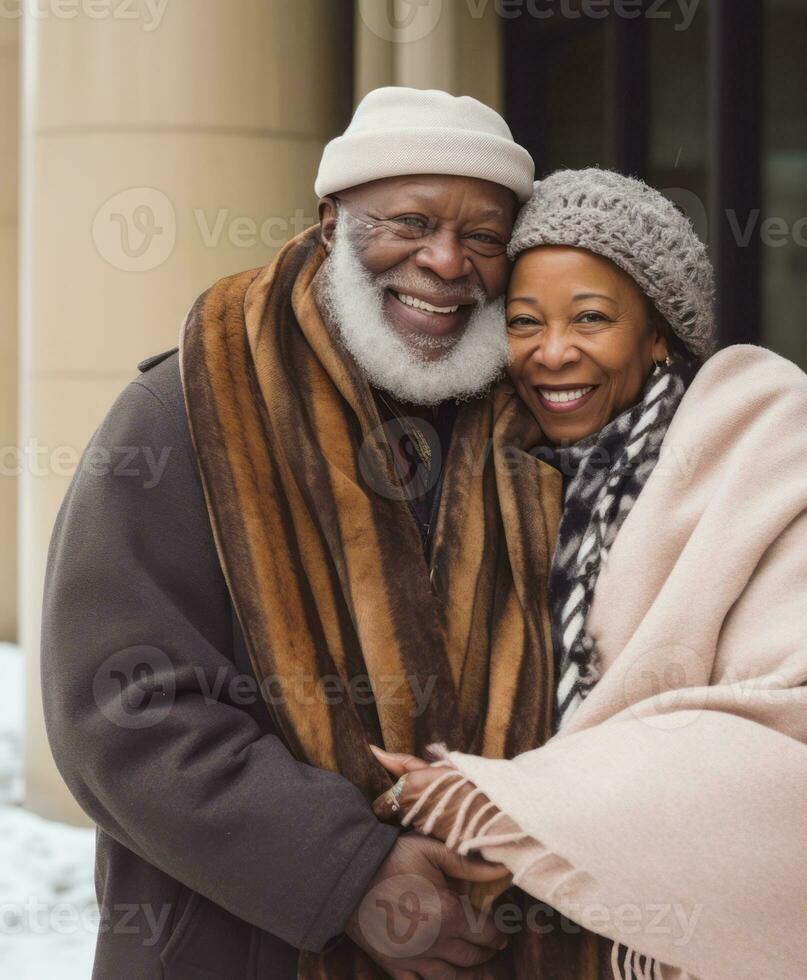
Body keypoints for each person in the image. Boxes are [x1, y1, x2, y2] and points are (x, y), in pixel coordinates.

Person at [40, 87, 575, 979]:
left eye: (484, 236)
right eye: (408, 222)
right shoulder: (182, 411)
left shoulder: (545, 429)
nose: (446, 262)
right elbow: (119, 706)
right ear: (332, 223)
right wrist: (351, 873)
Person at [372, 169, 807, 980]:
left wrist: (512, 798)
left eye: (592, 319)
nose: (553, 351)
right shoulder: (496, 475)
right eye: (525, 322)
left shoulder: (761, 443)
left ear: (659, 336)